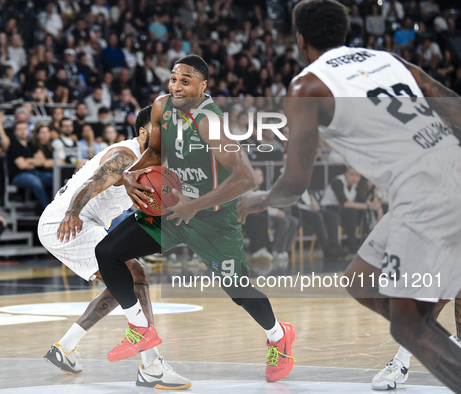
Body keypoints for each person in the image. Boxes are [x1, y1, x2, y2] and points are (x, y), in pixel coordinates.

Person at [237, 0, 461, 391]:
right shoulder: (389, 60)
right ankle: (436, 342)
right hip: (445, 171)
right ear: (344, 33)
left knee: (409, 328)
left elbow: (293, 185)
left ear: (300, 40)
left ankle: (430, 343)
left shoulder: (307, 86)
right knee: (361, 279)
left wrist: (256, 200)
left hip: (425, 190)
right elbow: (451, 105)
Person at [96, 55, 295, 383]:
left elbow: (247, 178)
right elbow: (156, 153)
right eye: (173, 78)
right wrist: (131, 174)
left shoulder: (209, 121)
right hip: (172, 211)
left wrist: (195, 206)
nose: (176, 86)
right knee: (108, 252)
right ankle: (139, 329)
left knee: (239, 291)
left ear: (203, 87)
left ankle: (278, 336)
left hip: (213, 221)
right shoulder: (162, 106)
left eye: (185, 81)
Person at [37, 105, 190, 389]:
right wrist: (72, 212)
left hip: (87, 221)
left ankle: (65, 347)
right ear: (144, 132)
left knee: (121, 282)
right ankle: (151, 364)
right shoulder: (125, 156)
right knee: (135, 276)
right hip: (68, 220)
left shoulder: (152, 161)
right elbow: (93, 183)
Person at [7, 121, 52, 208]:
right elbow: (22, 166)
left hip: (34, 172)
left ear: (28, 131)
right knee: (36, 182)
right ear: (15, 132)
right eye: (19, 129)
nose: (22, 131)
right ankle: (46, 208)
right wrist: (34, 161)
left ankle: (54, 204)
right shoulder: (13, 146)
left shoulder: (31, 145)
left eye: (24, 129)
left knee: (53, 178)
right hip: (18, 175)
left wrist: (27, 160)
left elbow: (42, 161)